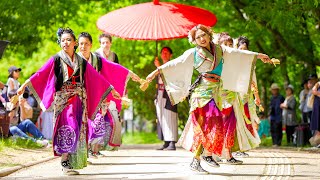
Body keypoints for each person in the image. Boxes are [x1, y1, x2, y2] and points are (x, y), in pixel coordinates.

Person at [145, 24, 271, 172]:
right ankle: (202, 157)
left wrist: (258, 55)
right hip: (201, 93)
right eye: (197, 37)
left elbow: (238, 54)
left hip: (216, 92)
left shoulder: (220, 49)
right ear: (194, 40)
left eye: (203, 35)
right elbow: (175, 62)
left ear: (208, 34)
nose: (201, 39)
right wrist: (155, 72)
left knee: (213, 126)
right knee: (209, 124)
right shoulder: (193, 53)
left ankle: (200, 158)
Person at [17, 27, 120, 175]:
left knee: (77, 129)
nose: (65, 43)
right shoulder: (56, 59)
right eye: (63, 40)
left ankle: (72, 161)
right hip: (63, 101)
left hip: (79, 100)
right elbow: (41, 73)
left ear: (75, 43)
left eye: (68, 40)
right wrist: (25, 85)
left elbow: (96, 78)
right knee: (67, 127)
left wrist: (112, 90)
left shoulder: (81, 61)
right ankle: (64, 161)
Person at [77, 32, 141, 157]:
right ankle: (82, 153)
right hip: (79, 95)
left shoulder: (96, 59)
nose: (83, 47)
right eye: (81, 44)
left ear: (91, 45)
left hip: (95, 94)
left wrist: (130, 73)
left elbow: (113, 68)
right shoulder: (75, 59)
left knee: (97, 121)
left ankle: (92, 149)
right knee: (81, 124)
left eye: (86, 44)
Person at [154, 47, 178, 151]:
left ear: (170, 55)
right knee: (161, 116)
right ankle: (166, 141)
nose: (164, 54)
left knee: (170, 116)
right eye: (162, 53)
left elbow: (169, 79)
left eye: (166, 52)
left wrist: (159, 67)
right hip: (160, 92)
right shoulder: (159, 65)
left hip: (169, 94)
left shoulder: (172, 65)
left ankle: (172, 142)